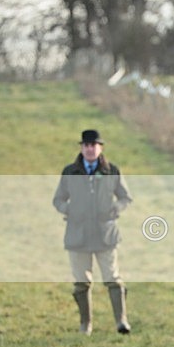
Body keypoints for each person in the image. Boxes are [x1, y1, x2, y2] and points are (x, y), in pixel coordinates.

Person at [53, 130, 133, 335]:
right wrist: (68, 209)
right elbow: (58, 199)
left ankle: (121, 322)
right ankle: (85, 325)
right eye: (86, 145)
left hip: (105, 234)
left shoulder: (111, 171)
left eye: (94, 145)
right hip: (77, 235)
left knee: (113, 278)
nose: (90, 148)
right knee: (81, 281)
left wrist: (117, 207)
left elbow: (125, 197)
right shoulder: (70, 172)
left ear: (100, 148)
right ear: (82, 148)